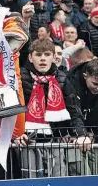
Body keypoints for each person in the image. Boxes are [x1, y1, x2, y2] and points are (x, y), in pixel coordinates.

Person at [16, 39, 70, 178]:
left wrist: (68, 132)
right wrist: (15, 134)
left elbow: (73, 107)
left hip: (53, 139)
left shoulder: (61, 77)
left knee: (58, 177)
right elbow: (13, 108)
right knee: (30, 179)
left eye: (47, 54)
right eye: (38, 55)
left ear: (53, 57)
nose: (43, 59)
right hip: (27, 138)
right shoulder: (20, 77)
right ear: (30, 57)